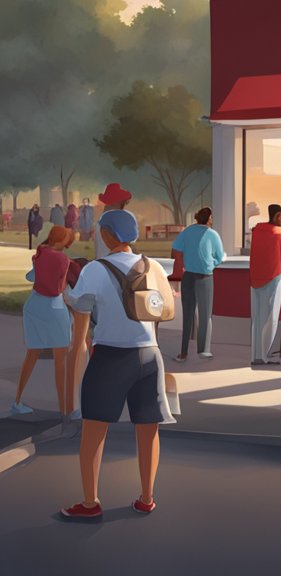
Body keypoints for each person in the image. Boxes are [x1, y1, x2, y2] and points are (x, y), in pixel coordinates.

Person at [61, 209, 176, 520]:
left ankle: (90, 503)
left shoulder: (96, 270)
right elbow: (165, 308)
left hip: (111, 357)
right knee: (148, 429)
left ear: (108, 235)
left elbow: (81, 314)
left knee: (94, 430)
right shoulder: (154, 267)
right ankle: (147, 498)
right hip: (150, 355)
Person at [12, 226, 78, 418]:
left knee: (32, 354)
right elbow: (59, 287)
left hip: (33, 306)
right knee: (60, 360)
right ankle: (65, 410)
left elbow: (32, 277)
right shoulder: (64, 260)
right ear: (63, 240)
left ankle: (17, 401)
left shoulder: (39, 254)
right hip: (53, 307)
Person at [170, 208, 225, 362]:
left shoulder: (187, 232)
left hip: (188, 276)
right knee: (205, 315)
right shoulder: (212, 234)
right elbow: (220, 257)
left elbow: (176, 249)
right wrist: (210, 263)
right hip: (205, 276)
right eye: (212, 217)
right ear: (208, 218)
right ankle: (204, 351)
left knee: (188, 315)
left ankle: (183, 352)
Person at [249, 204, 281, 365]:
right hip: (272, 278)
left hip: (255, 279)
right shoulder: (280, 233)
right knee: (271, 317)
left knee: (257, 317)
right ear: (276, 216)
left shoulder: (256, 230)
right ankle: (265, 355)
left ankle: (256, 355)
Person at [95, 183, 132, 260]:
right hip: (114, 262)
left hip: (104, 262)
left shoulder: (102, 220)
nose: (123, 205)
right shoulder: (115, 220)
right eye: (122, 202)